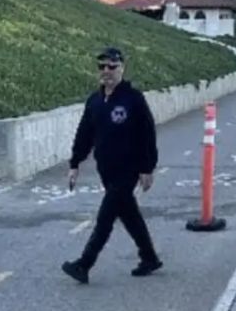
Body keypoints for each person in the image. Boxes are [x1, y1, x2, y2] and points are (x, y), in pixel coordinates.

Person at [61, 46, 162, 284]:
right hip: (106, 170)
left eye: (112, 67)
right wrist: (75, 163)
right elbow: (84, 134)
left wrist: (147, 168)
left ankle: (84, 264)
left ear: (122, 69)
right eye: (102, 66)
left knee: (105, 219)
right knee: (129, 215)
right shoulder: (95, 101)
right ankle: (149, 257)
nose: (106, 71)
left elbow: (148, 134)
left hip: (128, 170)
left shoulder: (133, 99)